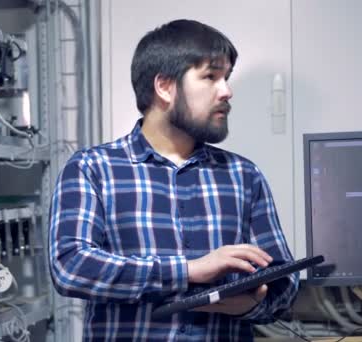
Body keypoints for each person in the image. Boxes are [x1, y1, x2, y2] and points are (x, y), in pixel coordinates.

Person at [49, 19, 299, 341]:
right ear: (164, 87)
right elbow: (71, 266)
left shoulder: (244, 176)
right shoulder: (92, 169)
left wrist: (240, 307)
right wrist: (189, 270)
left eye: (226, 77)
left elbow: (284, 285)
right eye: (211, 76)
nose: (226, 91)